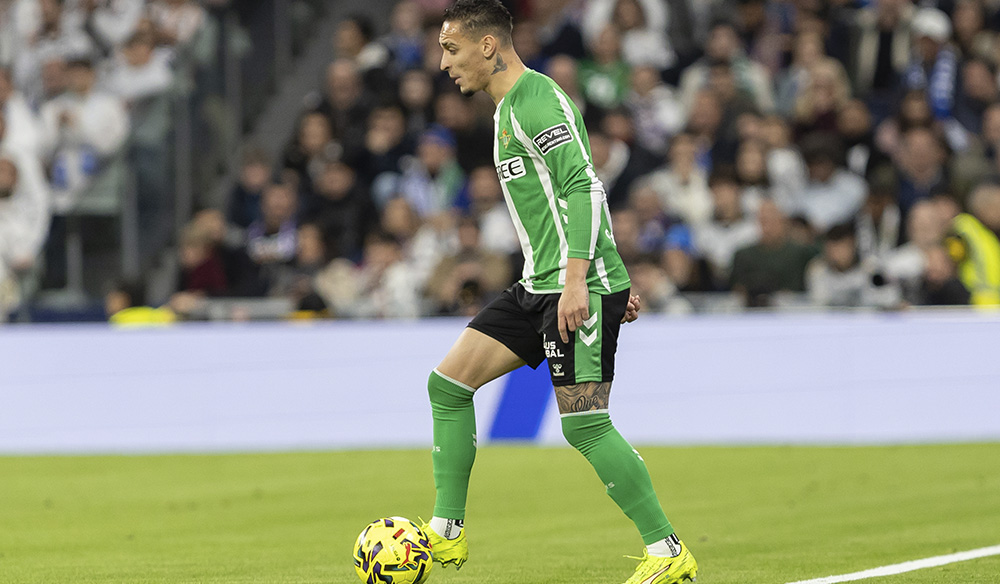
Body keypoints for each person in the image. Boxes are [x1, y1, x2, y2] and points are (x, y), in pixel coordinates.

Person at [424, 2, 698, 584]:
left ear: (489, 45)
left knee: (584, 425)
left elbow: (583, 185)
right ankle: (447, 536)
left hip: (574, 286)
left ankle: (669, 552)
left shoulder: (537, 100)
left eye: (451, 49)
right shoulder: (504, 112)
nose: (443, 64)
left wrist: (585, 279)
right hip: (539, 285)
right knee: (448, 386)